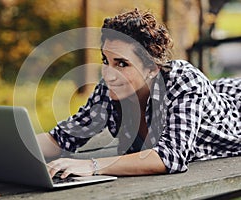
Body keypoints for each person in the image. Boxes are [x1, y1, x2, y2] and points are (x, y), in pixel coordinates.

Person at [38, 8, 241, 179]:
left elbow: (170, 157)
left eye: (122, 64)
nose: (109, 74)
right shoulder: (110, 88)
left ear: (152, 68)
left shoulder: (182, 80)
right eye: (105, 61)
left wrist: (92, 166)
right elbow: (61, 138)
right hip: (214, 93)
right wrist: (10, 153)